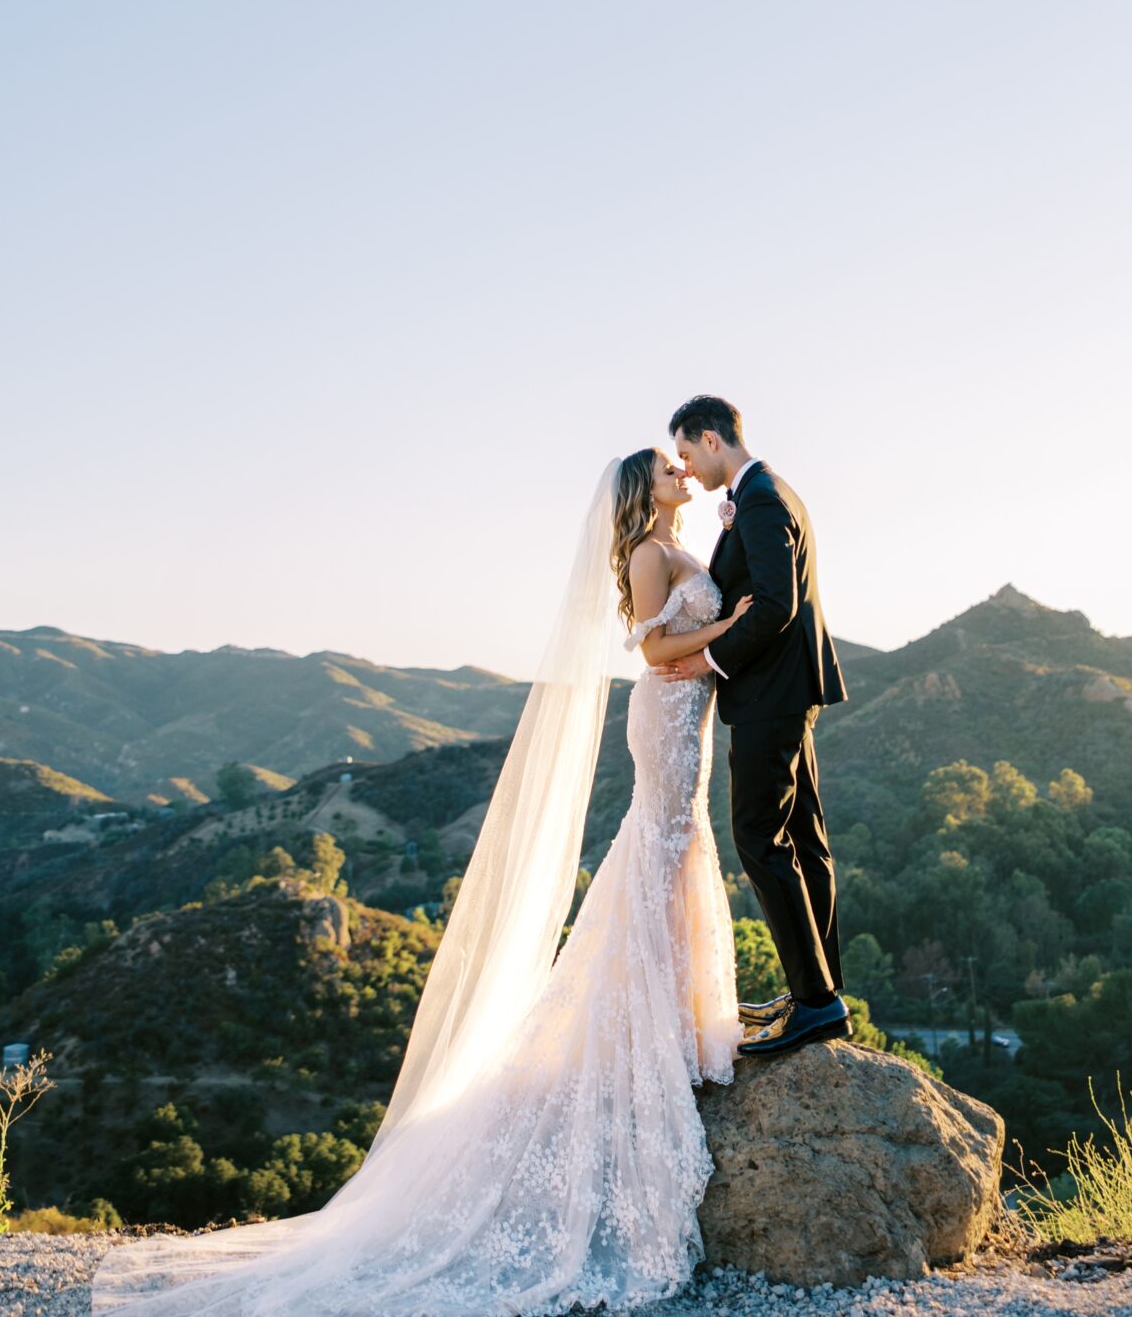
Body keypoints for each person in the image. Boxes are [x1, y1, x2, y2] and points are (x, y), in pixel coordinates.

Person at [92, 451, 749, 1317]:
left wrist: (724, 557)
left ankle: (670, 1003)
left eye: (679, 460)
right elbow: (657, 644)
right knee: (659, 848)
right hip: (664, 715)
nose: (677, 468)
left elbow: (684, 612)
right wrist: (724, 628)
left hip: (687, 719)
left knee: (676, 847)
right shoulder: (644, 552)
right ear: (641, 489)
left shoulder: (677, 539)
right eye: (665, 465)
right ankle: (647, 1009)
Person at [664, 394, 850, 1058]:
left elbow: (775, 604)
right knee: (803, 838)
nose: (685, 467)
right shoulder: (768, 494)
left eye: (687, 453)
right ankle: (818, 991)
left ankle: (817, 1002)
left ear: (711, 439)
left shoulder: (764, 499)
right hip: (787, 690)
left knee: (758, 838)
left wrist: (707, 659)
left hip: (771, 692)